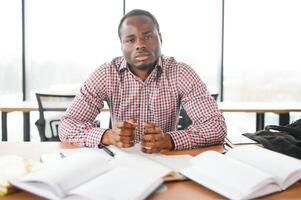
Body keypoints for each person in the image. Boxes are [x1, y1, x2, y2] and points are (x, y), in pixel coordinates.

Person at [59, 9, 227, 153]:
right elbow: (67, 125)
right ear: (122, 45)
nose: (139, 45)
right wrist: (108, 136)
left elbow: (216, 127)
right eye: (131, 40)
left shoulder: (180, 73)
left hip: (166, 161)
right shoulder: (106, 74)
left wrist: (169, 140)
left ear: (160, 38)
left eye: (147, 36)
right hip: (120, 161)